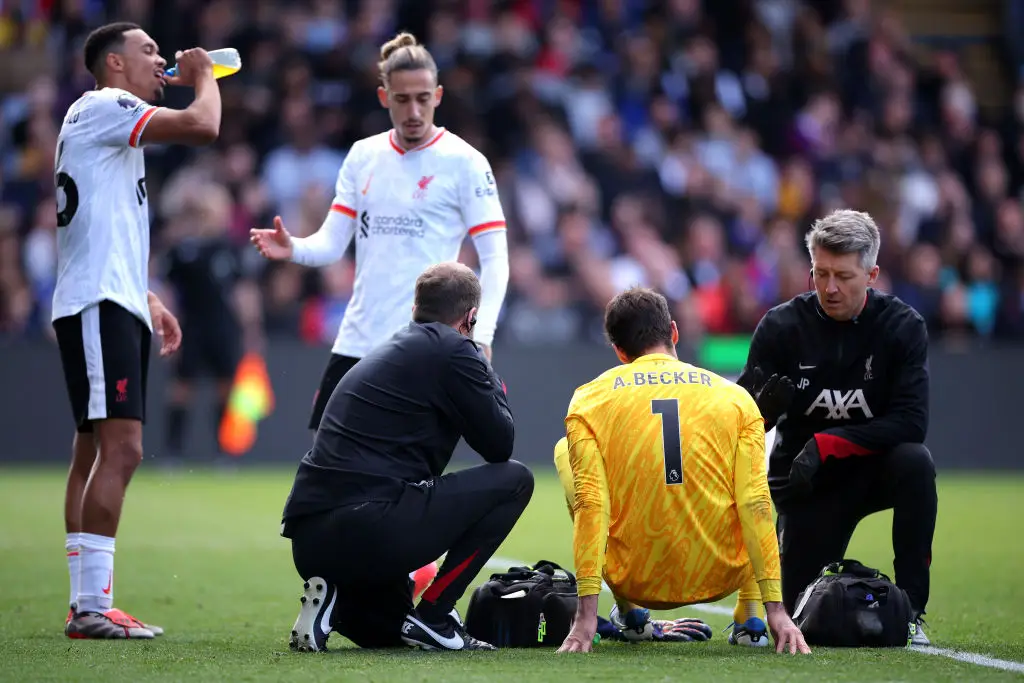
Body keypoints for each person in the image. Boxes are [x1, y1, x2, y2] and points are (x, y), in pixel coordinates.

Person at [250, 30, 509, 592]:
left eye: (422, 98)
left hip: (425, 350)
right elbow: (331, 242)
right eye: (401, 99)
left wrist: (480, 334)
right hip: (359, 340)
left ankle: (394, 584)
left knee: (411, 476)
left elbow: (497, 259)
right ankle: (327, 584)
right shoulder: (364, 156)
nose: (412, 110)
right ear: (382, 96)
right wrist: (293, 248)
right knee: (327, 468)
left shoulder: (465, 163)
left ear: (438, 95)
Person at [53, 21, 221, 639]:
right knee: (122, 449)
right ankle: (92, 607)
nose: (160, 61)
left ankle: (84, 601)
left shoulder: (98, 125)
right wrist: (204, 75)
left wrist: (143, 293)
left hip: (103, 295)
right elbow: (204, 126)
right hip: (99, 302)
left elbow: (95, 223)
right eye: (148, 51)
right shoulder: (107, 104)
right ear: (114, 65)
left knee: (92, 449)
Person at [280, 262, 533, 652]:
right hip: (371, 525)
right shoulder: (455, 349)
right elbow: (500, 445)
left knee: (393, 633)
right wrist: (486, 369)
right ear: (471, 318)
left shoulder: (392, 348)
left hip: (312, 542)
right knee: (515, 481)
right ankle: (436, 613)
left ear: (415, 308)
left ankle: (332, 600)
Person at [555, 287, 810, 655]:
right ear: (674, 332)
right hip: (722, 574)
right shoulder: (736, 400)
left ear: (619, 352)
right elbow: (755, 503)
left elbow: (592, 506)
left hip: (635, 577)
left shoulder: (590, 399)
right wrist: (778, 610)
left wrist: (585, 617)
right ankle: (750, 616)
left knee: (567, 453)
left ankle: (631, 613)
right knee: (748, 485)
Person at [737, 209, 936, 646]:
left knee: (916, 463)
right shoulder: (781, 326)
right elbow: (739, 425)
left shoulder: (903, 327)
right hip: (806, 484)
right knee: (802, 617)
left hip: (872, 471)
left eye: (843, 276)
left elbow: (911, 423)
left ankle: (911, 613)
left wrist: (830, 443)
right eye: (820, 273)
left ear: (872, 274)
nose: (829, 288)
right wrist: (758, 411)